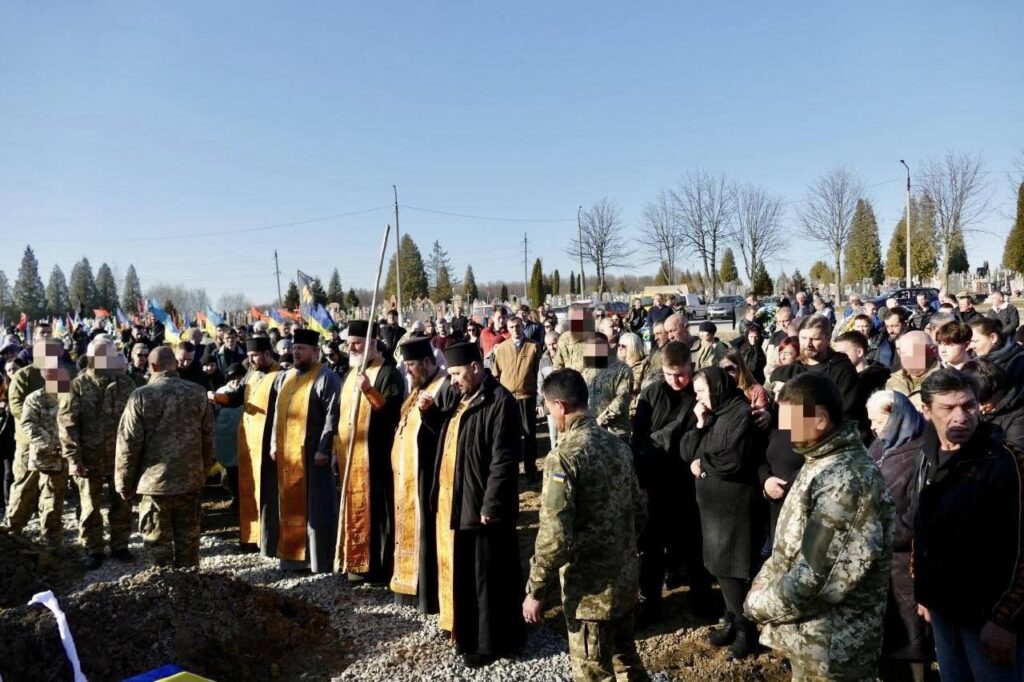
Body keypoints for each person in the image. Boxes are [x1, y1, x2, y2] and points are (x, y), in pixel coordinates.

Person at [745, 372, 895, 680]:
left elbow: (818, 577)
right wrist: (765, 579)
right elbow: (789, 544)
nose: (785, 431)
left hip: (835, 648)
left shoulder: (845, 479)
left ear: (821, 419)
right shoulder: (820, 461)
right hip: (814, 640)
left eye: (791, 421)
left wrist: (759, 604)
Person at [523, 369, 649, 682]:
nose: (546, 414)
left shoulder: (563, 458)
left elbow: (554, 535)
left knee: (594, 673)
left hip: (589, 593)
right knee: (627, 662)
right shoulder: (617, 445)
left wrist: (536, 588)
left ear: (560, 407)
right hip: (623, 581)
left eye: (547, 407)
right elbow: (639, 508)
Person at [914, 369, 1024, 681]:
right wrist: (923, 587)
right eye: (948, 409)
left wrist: (1006, 619)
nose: (961, 417)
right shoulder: (926, 456)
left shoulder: (1006, 461)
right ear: (927, 411)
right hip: (943, 611)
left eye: (969, 406)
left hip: (989, 621)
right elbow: (922, 526)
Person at [433, 342, 525, 667]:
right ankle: (469, 634)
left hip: (485, 508)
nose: (453, 380)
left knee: (489, 578)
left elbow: (504, 460)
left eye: (456, 373)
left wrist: (491, 504)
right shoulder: (462, 396)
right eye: (449, 374)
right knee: (468, 576)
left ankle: (492, 643)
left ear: (475, 367)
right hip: (462, 504)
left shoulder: (501, 402)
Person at [682, 367, 765, 659]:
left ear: (717, 389)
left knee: (732, 569)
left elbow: (733, 460)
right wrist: (700, 423)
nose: (699, 398)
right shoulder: (713, 414)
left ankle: (746, 630)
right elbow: (685, 450)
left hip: (734, 508)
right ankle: (731, 619)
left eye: (702, 392)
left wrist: (702, 464)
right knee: (719, 566)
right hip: (712, 507)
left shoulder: (740, 414)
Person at [631, 341, 714, 622]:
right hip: (656, 483)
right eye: (669, 374)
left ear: (691, 366)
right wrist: (641, 480)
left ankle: (701, 600)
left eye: (680, 374)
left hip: (689, 483)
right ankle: (650, 603)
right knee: (651, 548)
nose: (676, 380)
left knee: (694, 546)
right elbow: (638, 438)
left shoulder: (701, 393)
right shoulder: (651, 394)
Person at [115, 347, 214, 567]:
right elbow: (208, 437)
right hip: (190, 481)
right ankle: (189, 588)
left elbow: (128, 444)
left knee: (157, 546)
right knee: (188, 543)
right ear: (175, 364)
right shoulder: (198, 392)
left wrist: (124, 483)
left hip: (154, 485)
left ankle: (164, 593)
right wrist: (202, 471)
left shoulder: (141, 395)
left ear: (152, 367)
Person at [865, 390, 932, 681]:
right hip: (877, 568)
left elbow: (919, 516)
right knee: (883, 645)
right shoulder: (880, 446)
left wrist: (873, 533)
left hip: (905, 568)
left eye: (876, 420)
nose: (872, 427)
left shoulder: (924, 452)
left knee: (909, 648)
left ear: (895, 416)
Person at [390, 336, 458, 613]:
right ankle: (410, 586)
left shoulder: (444, 387)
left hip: (428, 474)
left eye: (412, 365)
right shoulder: (418, 387)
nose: (408, 371)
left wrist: (431, 414)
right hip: (408, 473)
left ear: (429, 362)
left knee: (426, 534)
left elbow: (446, 429)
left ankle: (428, 593)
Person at [332, 322, 404, 580]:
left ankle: (378, 568)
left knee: (379, 513)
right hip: (350, 458)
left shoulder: (388, 374)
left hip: (377, 456)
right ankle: (355, 562)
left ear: (373, 343)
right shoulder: (350, 373)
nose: (351, 348)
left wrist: (369, 390)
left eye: (357, 343)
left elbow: (395, 415)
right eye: (349, 343)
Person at [58, 337, 137, 570]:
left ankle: (120, 545)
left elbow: (135, 423)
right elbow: (67, 424)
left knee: (122, 502)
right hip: (88, 458)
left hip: (119, 458)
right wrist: (73, 458)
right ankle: (93, 548)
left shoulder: (126, 384)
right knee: (90, 506)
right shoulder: (77, 385)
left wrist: (135, 457)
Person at [210, 336, 281, 550]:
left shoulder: (280, 376)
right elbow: (236, 398)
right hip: (249, 442)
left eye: (254, 356)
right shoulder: (250, 374)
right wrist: (216, 397)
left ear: (268, 354)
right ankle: (251, 537)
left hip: (269, 442)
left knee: (269, 491)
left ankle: (270, 539)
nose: (249, 360)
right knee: (248, 489)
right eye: (248, 356)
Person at [4, 337, 56, 538]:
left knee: (51, 489)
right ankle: (13, 527)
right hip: (28, 441)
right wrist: (40, 424)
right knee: (24, 485)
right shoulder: (23, 376)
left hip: (54, 442)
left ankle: (50, 533)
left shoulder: (58, 375)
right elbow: (16, 406)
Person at [17, 359, 71, 549]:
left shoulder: (69, 396)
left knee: (58, 499)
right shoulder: (35, 398)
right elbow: (28, 425)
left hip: (68, 458)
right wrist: (51, 444)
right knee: (43, 498)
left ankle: (55, 541)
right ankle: (46, 541)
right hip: (47, 458)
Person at [491, 316, 543, 481]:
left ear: (523, 327)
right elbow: (496, 374)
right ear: (508, 329)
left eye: (518, 326)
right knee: (509, 437)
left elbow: (538, 373)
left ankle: (530, 470)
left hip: (527, 396)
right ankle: (511, 471)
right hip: (508, 399)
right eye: (512, 327)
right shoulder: (501, 349)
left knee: (529, 436)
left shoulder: (533, 347)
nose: (516, 330)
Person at [797, 314, 860, 422]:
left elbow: (844, 411)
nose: (808, 344)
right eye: (803, 338)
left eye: (815, 339)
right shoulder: (793, 367)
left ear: (828, 339)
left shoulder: (842, 369)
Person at [587, 333, 634, 441]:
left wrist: (601, 419)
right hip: (594, 432)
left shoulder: (622, 369)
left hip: (616, 432)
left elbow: (623, 398)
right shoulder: (587, 371)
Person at [212, 363, 247, 505]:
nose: (236, 381)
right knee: (231, 471)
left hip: (245, 438)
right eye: (232, 378)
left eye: (239, 377)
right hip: (226, 439)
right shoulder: (221, 392)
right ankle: (235, 497)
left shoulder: (248, 392)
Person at [971, 358, 1024, 449]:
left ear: (998, 391)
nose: (979, 408)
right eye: (974, 401)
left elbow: (1016, 454)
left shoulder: (1019, 415)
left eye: (984, 401)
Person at [885, 330, 940, 412]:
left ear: (932, 350)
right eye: (903, 352)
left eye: (913, 351)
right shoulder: (893, 380)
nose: (906, 357)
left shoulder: (944, 379)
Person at [970, 317, 1024, 384]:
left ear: (993, 338)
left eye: (974, 341)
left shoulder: (1019, 363)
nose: (970, 346)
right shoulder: (973, 358)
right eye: (969, 342)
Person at [616, 332, 647, 414]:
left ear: (633, 347)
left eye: (623, 346)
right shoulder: (618, 366)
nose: (620, 348)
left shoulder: (644, 366)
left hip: (634, 412)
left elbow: (634, 388)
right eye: (619, 345)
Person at [875, 307, 910, 371]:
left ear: (905, 325)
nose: (890, 331)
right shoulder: (884, 345)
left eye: (894, 326)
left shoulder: (917, 343)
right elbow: (875, 367)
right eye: (887, 326)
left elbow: (918, 372)